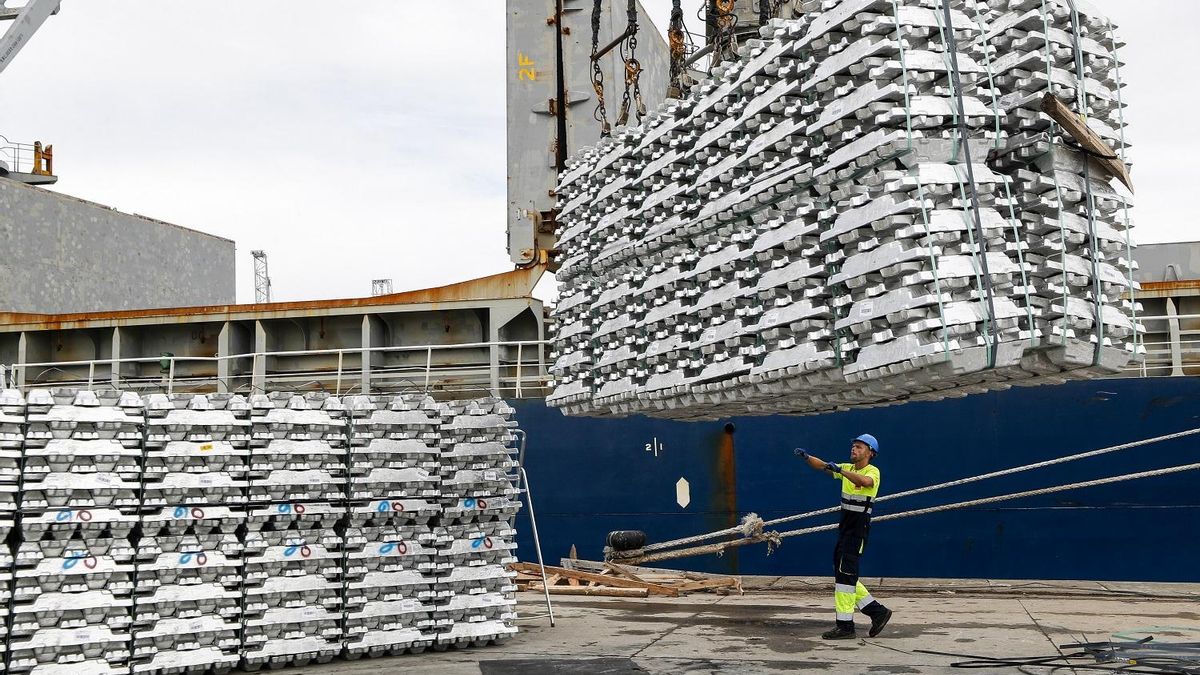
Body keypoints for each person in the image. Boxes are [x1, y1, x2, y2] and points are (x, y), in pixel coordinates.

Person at [796, 434, 892, 640]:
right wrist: (807, 457)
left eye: (858, 447)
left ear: (870, 453)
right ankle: (878, 612)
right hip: (845, 529)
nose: (853, 450)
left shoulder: (872, 471)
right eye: (853, 447)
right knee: (843, 574)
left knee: (846, 577)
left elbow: (865, 482)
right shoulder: (846, 468)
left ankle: (846, 626)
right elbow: (822, 466)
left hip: (858, 530)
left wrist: (842, 471)